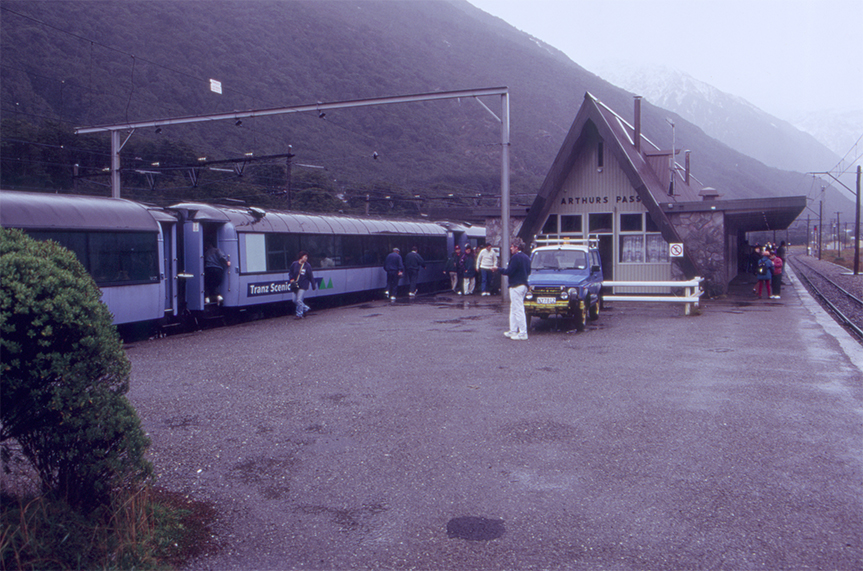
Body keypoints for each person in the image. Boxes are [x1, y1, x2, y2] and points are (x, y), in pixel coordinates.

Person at [496, 237, 531, 340]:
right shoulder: (526, 258)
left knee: (518, 309)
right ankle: (513, 330)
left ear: (516, 247)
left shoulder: (515, 258)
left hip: (516, 286)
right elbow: (528, 271)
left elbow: (509, 271)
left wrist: (498, 269)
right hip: (523, 285)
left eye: (512, 246)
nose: (510, 248)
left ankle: (523, 333)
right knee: (514, 308)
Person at [289, 251, 316, 319]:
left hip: (303, 285)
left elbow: (310, 276)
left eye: (307, 257)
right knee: (294, 300)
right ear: (301, 256)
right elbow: (290, 272)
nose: (306, 258)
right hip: (295, 284)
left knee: (299, 300)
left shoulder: (307, 266)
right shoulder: (294, 264)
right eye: (305, 256)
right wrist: (291, 279)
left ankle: (299, 314)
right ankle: (306, 308)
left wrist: (313, 285)